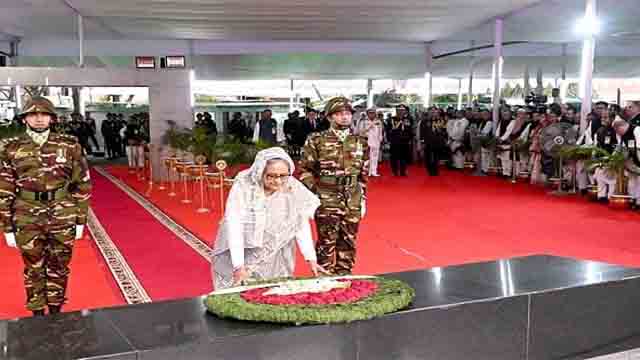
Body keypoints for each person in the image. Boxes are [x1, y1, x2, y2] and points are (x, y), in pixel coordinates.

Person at [0, 97, 91, 316]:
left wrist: (80, 219)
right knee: (33, 267)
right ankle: (37, 313)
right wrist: (7, 226)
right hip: (26, 214)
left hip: (62, 213)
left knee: (59, 265)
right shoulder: (10, 147)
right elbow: (4, 188)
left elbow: (82, 183)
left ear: (52, 118)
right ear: (24, 119)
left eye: (44, 114)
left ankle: (56, 309)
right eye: (33, 114)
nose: (39, 119)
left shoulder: (69, 145)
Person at [211, 147, 327, 289]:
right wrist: (238, 266)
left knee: (274, 291)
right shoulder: (244, 185)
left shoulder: (292, 187)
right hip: (244, 248)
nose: (278, 181)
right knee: (240, 291)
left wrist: (311, 259)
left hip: (276, 250)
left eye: (283, 176)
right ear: (261, 172)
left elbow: (300, 224)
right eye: (271, 176)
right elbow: (234, 224)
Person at [300, 97, 368, 275]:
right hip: (326, 197)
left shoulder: (360, 141)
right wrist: (314, 195)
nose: (344, 117)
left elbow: (363, 174)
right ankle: (324, 281)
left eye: (347, 113)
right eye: (339, 114)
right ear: (329, 117)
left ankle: (345, 278)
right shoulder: (316, 139)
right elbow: (305, 171)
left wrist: (363, 197)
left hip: (352, 198)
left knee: (349, 241)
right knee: (326, 242)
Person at [386, 104, 413, 176]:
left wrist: (410, 139)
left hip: (405, 141)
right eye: (399, 110)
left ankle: (403, 171)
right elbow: (388, 130)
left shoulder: (408, 119)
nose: (401, 112)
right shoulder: (391, 119)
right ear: (396, 111)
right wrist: (389, 139)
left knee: (404, 157)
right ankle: (394, 171)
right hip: (394, 141)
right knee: (394, 157)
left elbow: (410, 130)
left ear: (405, 111)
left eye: (402, 110)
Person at [364, 107, 383, 176]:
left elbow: (380, 130)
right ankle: (368, 171)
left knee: (375, 156)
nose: (372, 115)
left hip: (376, 140)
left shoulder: (378, 121)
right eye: (370, 113)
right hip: (368, 140)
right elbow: (362, 131)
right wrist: (370, 125)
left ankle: (374, 171)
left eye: (373, 113)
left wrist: (380, 138)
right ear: (367, 114)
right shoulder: (364, 121)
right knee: (368, 157)